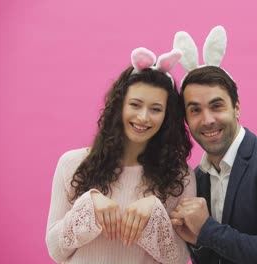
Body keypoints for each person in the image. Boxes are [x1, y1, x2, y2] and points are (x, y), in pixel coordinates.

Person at [170, 26, 257, 263]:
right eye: (195, 110)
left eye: (217, 106)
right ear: (186, 119)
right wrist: (197, 243)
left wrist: (206, 229)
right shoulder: (198, 178)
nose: (207, 120)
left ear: (236, 108)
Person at [46, 47, 195, 264]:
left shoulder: (180, 177)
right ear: (119, 106)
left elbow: (179, 260)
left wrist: (155, 212)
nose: (143, 117)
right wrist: (89, 205)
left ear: (167, 116)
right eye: (135, 105)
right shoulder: (72, 164)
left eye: (155, 109)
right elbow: (55, 250)